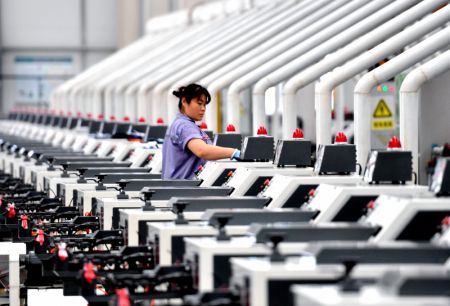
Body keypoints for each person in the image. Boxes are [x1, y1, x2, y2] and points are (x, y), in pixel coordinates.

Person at [162, 84, 240, 179]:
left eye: (204, 105)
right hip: (184, 189)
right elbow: (202, 151)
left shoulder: (179, 123)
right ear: (184, 101)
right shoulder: (184, 125)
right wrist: (233, 152)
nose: (203, 108)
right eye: (199, 103)